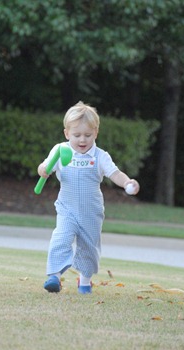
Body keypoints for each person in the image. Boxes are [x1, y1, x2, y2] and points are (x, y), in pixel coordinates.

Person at [37, 101, 140, 294]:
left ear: (96, 133)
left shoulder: (100, 156)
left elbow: (115, 173)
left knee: (89, 247)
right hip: (67, 208)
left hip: (91, 212)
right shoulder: (60, 150)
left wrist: (127, 183)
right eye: (77, 135)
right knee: (61, 238)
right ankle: (54, 277)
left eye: (88, 135)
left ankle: (84, 281)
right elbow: (44, 167)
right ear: (67, 134)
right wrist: (43, 170)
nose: (82, 140)